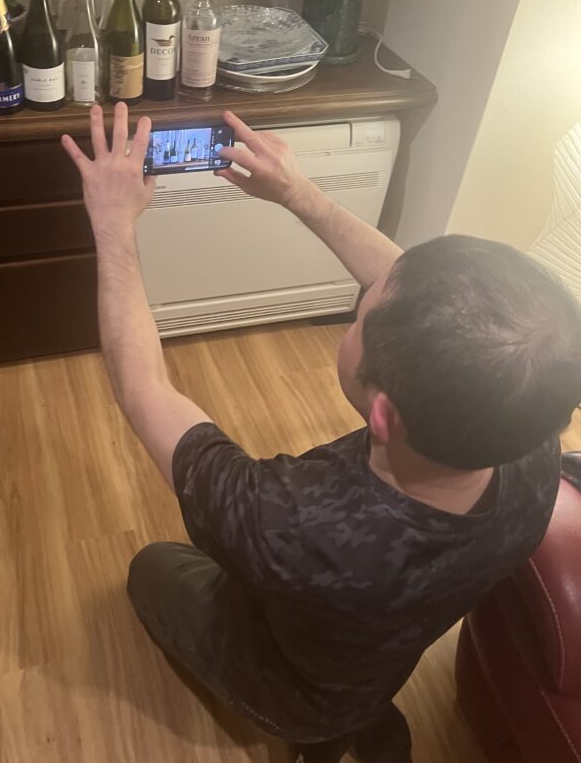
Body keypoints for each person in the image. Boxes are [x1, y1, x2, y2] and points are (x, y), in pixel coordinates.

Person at [61, 105, 581, 763]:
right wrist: (299, 194)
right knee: (350, 666)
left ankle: (315, 737)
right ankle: (349, 724)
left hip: (287, 688)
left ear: (383, 413)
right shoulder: (533, 445)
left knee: (150, 568)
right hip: (380, 663)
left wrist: (112, 226)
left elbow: (144, 389)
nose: (365, 297)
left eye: (361, 316)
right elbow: (428, 304)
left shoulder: (285, 523)